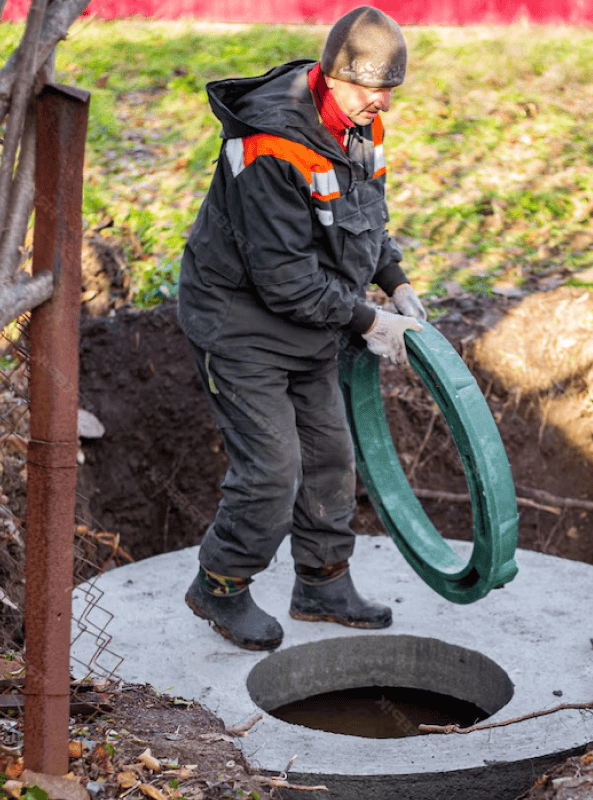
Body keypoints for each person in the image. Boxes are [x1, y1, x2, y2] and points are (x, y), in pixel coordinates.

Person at [176, 6, 427, 651]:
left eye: (390, 92)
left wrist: (395, 280)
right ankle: (221, 584)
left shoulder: (358, 124)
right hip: (240, 323)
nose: (384, 106)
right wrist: (371, 319)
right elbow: (283, 279)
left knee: (330, 459)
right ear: (333, 74)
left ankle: (321, 583)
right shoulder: (268, 142)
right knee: (270, 471)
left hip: (312, 319)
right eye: (374, 91)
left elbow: (366, 215)